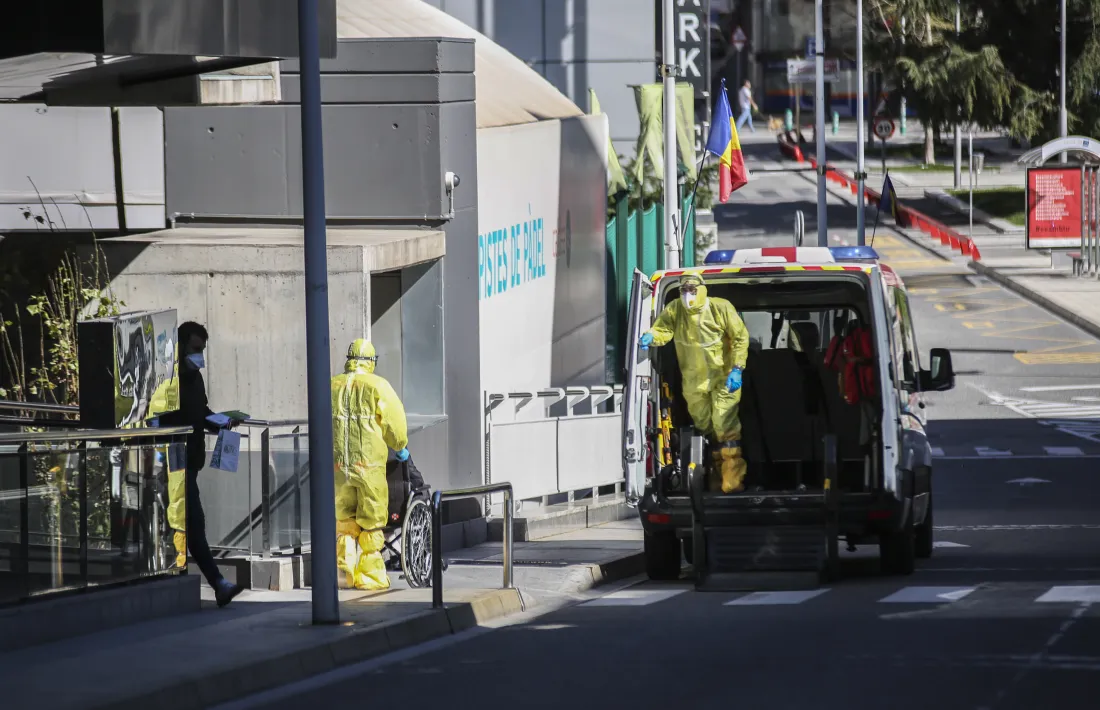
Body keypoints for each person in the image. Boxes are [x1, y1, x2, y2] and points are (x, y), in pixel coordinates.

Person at [158, 321, 244, 607]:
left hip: (189, 462)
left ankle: (216, 583)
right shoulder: (167, 381)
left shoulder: (195, 379)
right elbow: (158, 419)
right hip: (169, 463)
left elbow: (201, 411)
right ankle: (216, 582)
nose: (200, 357)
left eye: (202, 350)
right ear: (181, 347)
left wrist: (221, 422)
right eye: (196, 349)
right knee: (191, 523)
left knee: (192, 524)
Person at [639, 274, 750, 493]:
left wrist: (737, 368)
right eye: (683, 290)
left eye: (691, 289)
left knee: (724, 425)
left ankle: (733, 482)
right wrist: (651, 336)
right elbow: (664, 329)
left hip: (723, 379)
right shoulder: (675, 310)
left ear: (701, 289)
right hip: (694, 383)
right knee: (706, 430)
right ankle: (715, 482)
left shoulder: (720, 308)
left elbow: (740, 338)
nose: (687, 294)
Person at [331, 339, 409, 591]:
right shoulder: (378, 386)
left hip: (339, 465)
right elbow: (394, 424)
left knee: (345, 518)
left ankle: (344, 572)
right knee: (372, 518)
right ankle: (370, 575)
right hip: (369, 464)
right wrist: (399, 445)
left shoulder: (332, 385)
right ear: (371, 361)